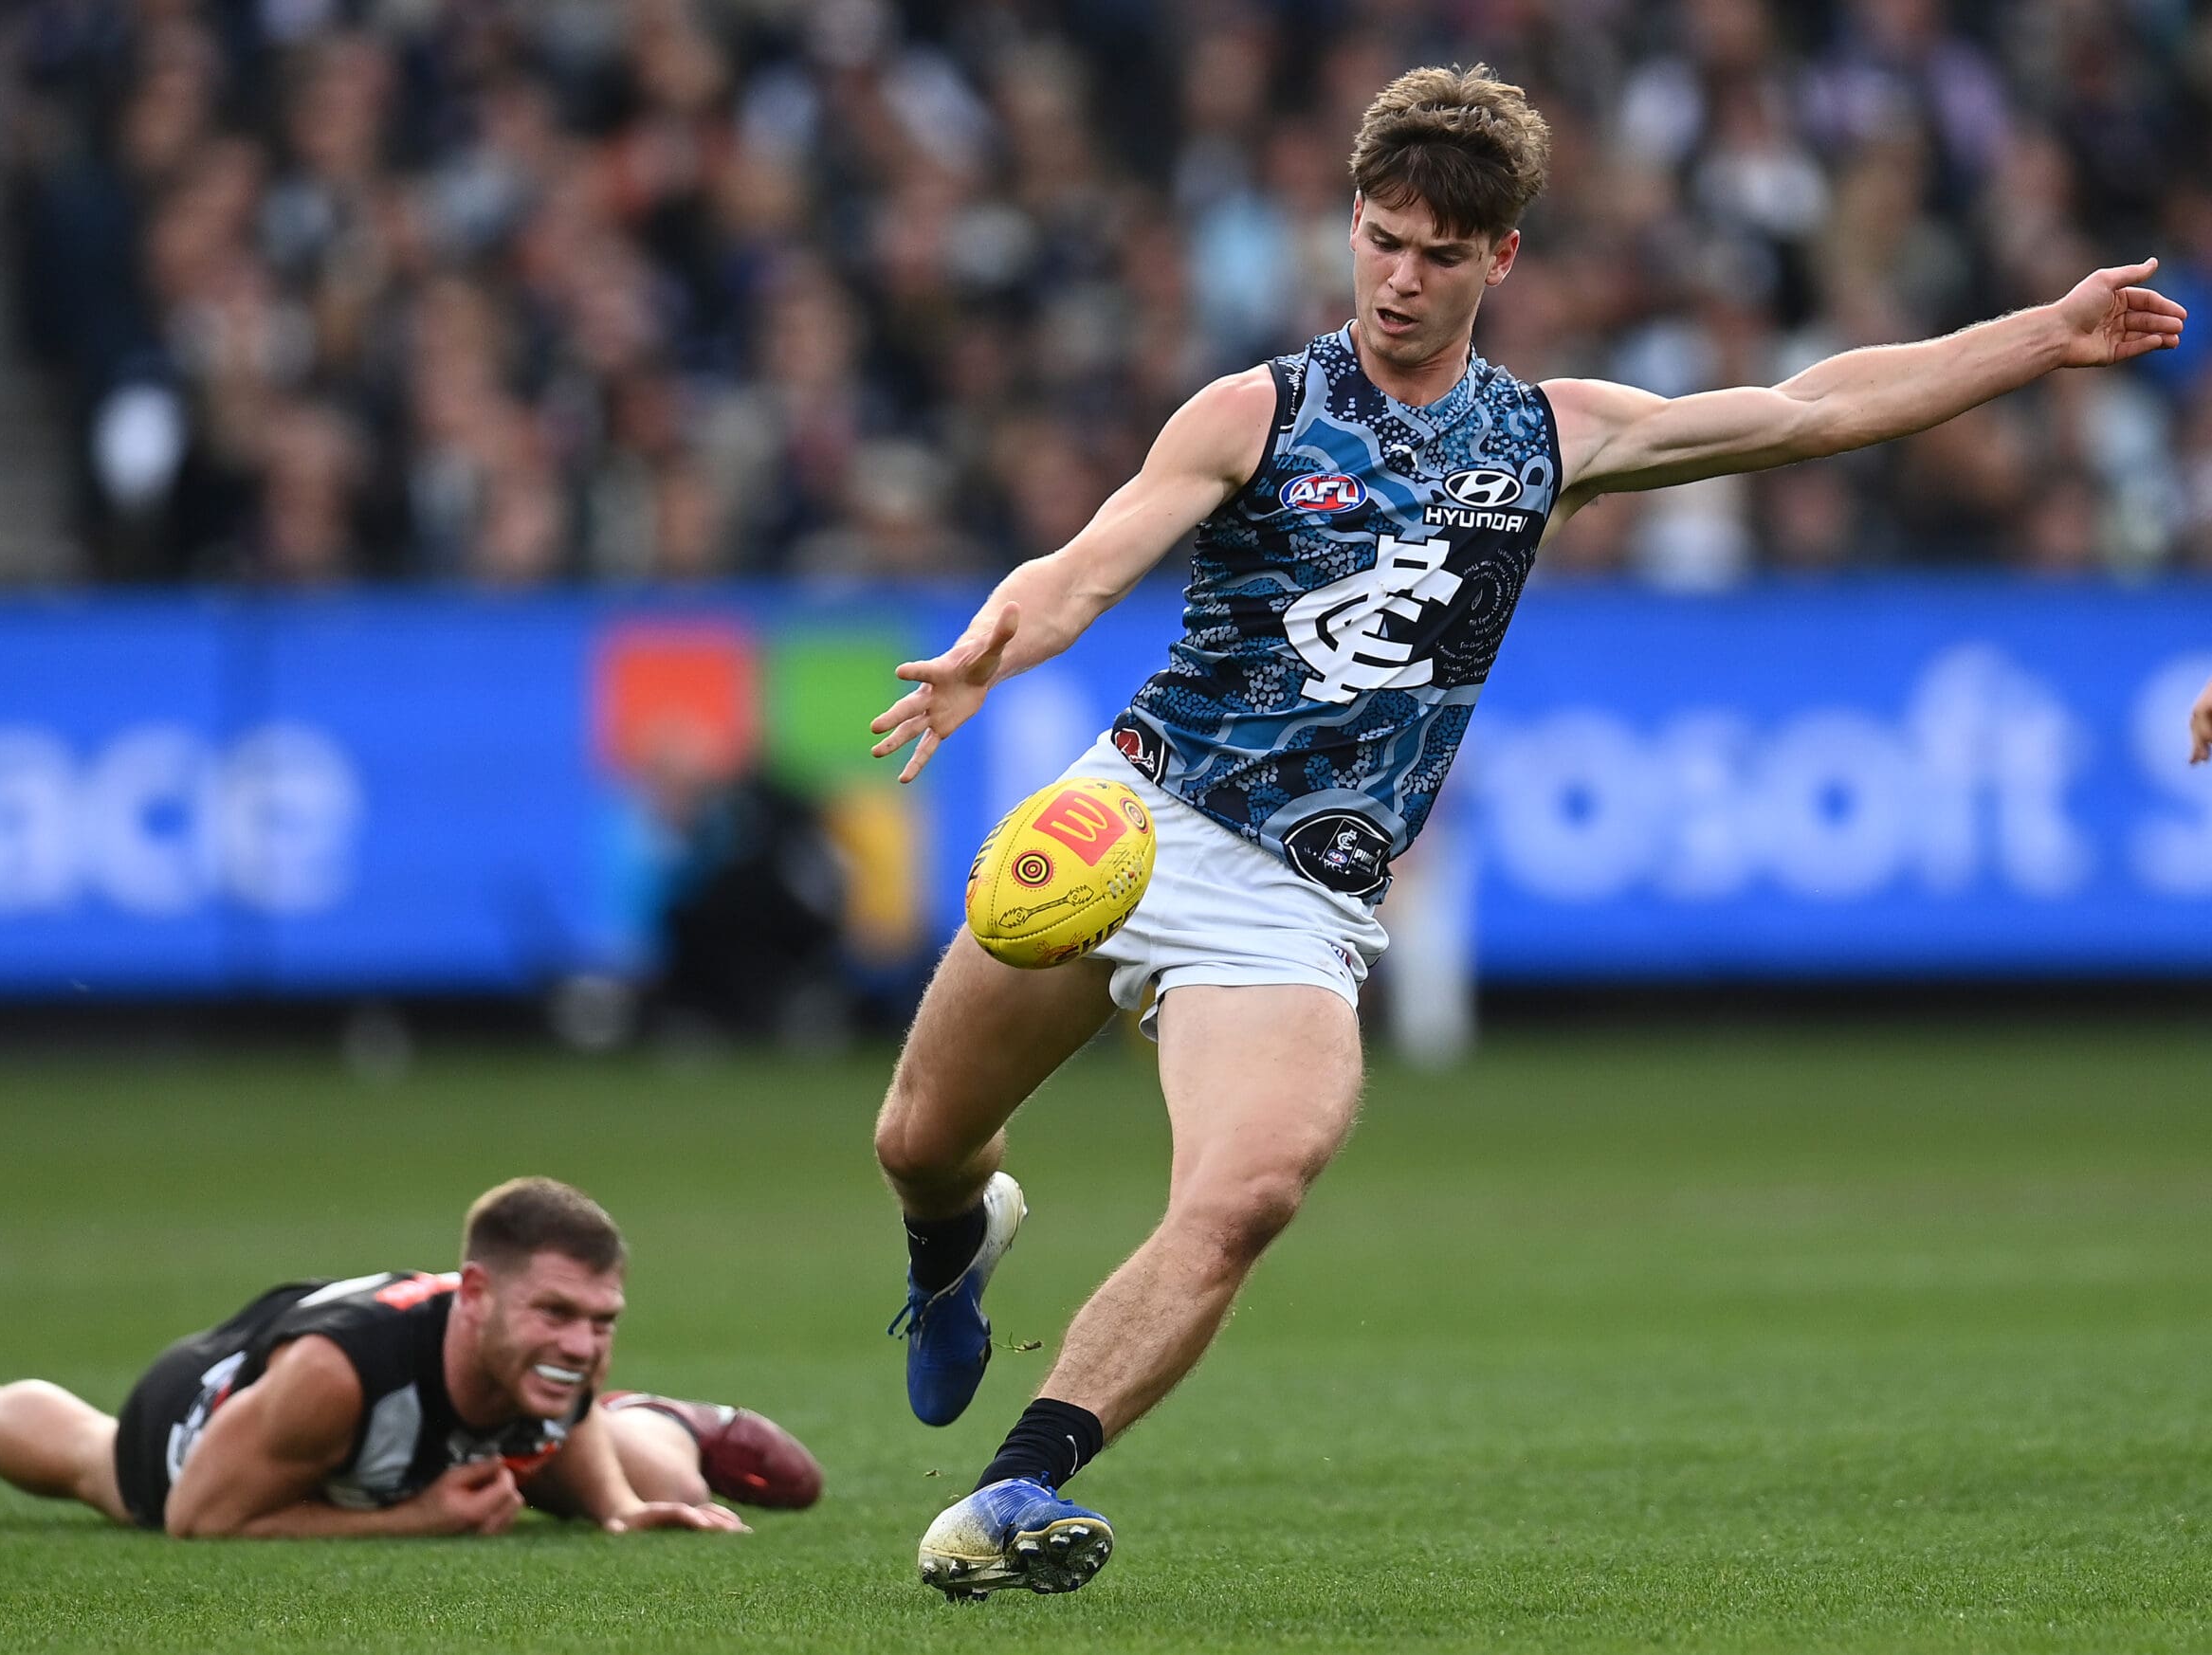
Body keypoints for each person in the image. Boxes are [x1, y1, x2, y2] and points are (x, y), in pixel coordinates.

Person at [865, 64, 2186, 1600]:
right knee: (916, 1138)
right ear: (1346, 228)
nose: (1399, 279)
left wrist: (2045, 335)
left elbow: (1815, 406)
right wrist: (986, 647)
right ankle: (953, 1241)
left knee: (1250, 1191)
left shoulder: (1552, 438)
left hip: (1294, 901)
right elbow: (1090, 560)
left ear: (1502, 259)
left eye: (1437, 252)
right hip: (1135, 816)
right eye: (1377, 239)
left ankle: (1015, 1491)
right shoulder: (1258, 409)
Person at [0, 1177, 819, 1534]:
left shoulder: (560, 1348)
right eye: (557, 1311)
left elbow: (567, 1387)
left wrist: (616, 1510)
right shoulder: (334, 1378)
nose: (581, 1339)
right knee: (97, 1467)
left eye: (601, 1319)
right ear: (474, 1294)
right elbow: (196, 1521)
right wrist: (419, 1518)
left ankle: (654, 1429)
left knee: (619, 1459)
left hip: (452, 1416)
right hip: (208, 1422)